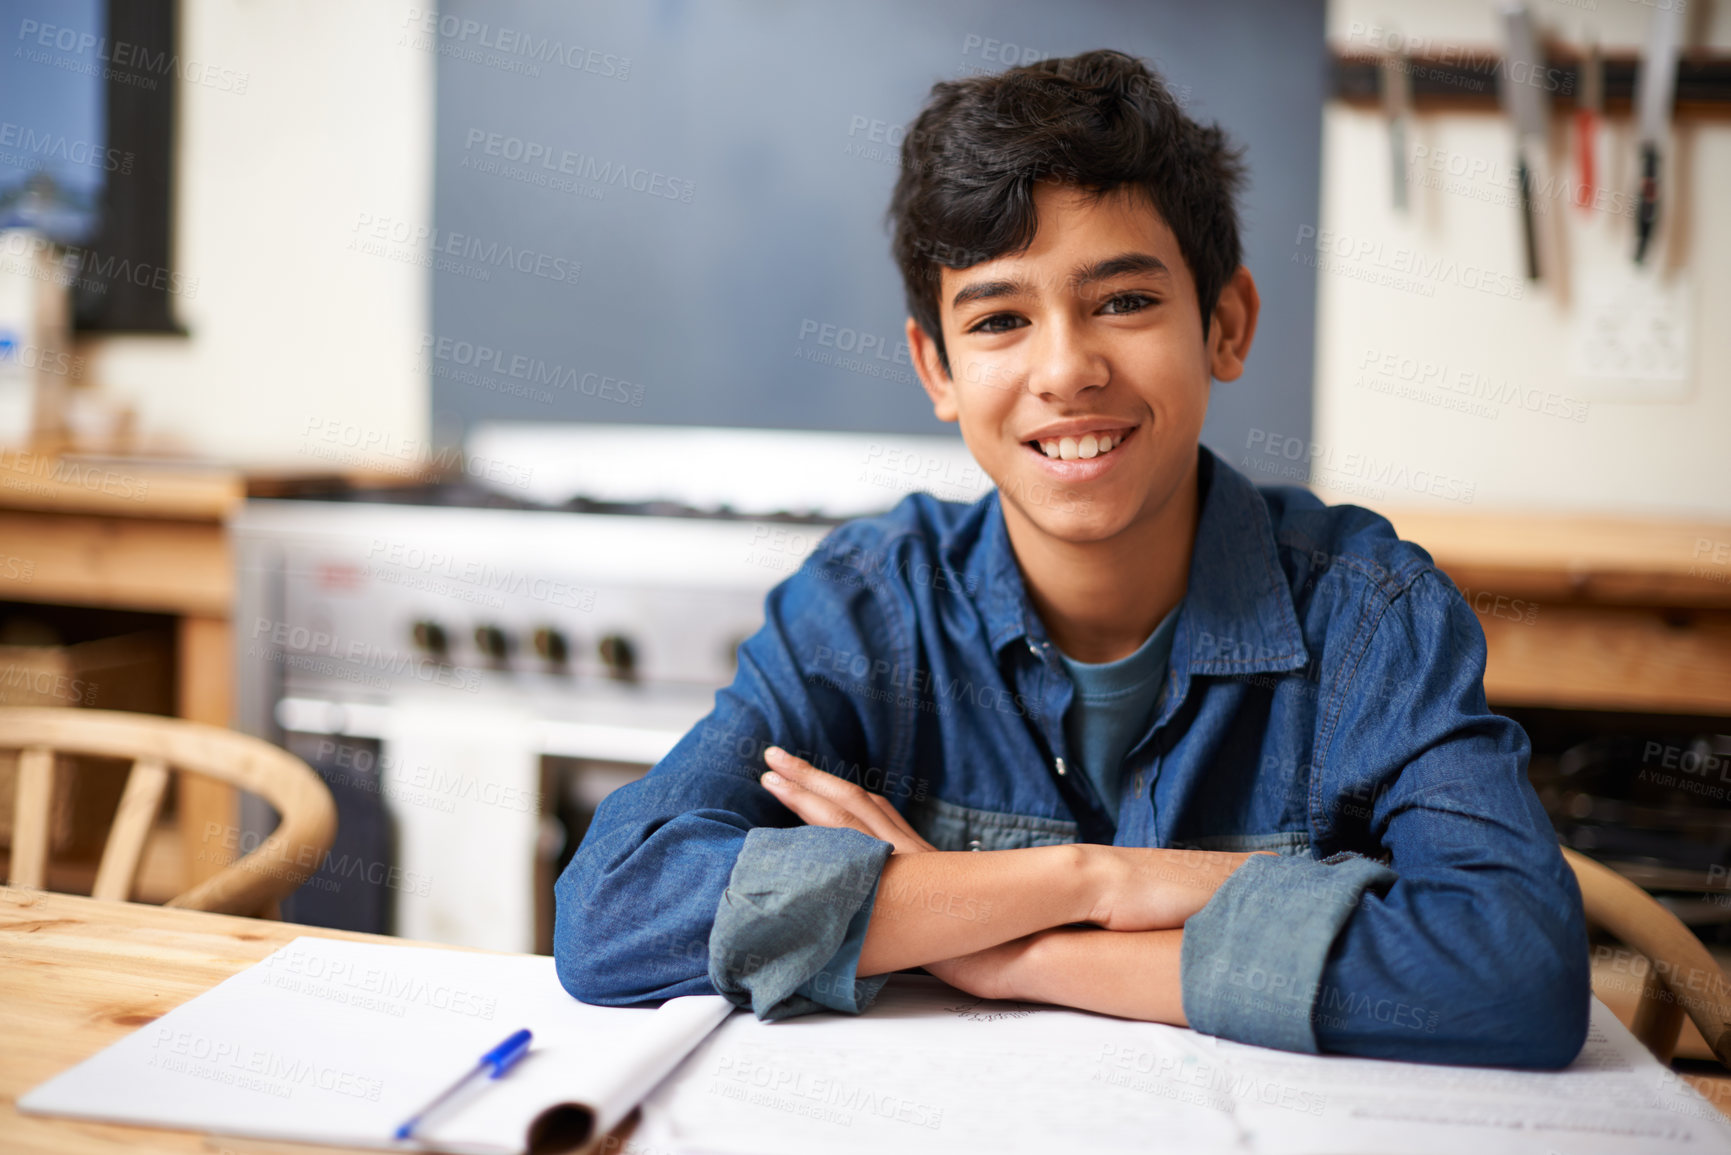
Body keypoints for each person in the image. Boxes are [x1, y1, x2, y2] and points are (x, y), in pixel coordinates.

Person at [553, 49, 1589, 1068]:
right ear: (938, 368)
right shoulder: (868, 610)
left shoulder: (1370, 616)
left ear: (1224, 325)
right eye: (1001, 319)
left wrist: (1017, 957)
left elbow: (1514, 968)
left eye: (1124, 302)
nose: (1066, 370)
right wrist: (1089, 881)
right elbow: (616, 911)